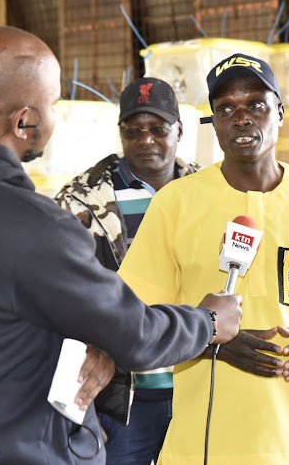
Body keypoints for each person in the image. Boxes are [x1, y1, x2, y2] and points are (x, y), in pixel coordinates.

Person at [0, 25, 242, 465]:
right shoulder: (32, 225)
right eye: (54, 103)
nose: (55, 115)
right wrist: (209, 320)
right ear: (24, 120)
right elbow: (136, 335)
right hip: (20, 451)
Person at [117, 53, 289, 465]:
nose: (241, 118)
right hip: (206, 443)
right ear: (214, 123)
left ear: (280, 113)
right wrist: (207, 341)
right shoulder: (176, 203)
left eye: (256, 104)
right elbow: (139, 317)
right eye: (226, 109)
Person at [55, 77, 198, 465]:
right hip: (122, 399)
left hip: (198, 387)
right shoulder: (81, 200)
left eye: (158, 129)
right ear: (120, 134)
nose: (146, 139)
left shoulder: (208, 192)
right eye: (133, 130)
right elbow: (59, 305)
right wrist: (77, 409)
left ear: (180, 131)